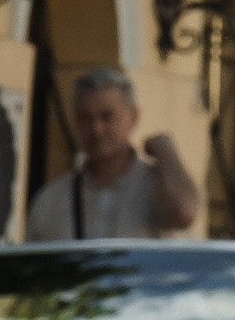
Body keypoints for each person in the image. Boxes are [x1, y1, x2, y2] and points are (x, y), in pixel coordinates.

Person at [24, 65, 200, 240]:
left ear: (133, 117)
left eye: (107, 117)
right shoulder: (51, 199)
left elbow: (184, 213)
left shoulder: (159, 186)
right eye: (86, 118)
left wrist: (166, 151)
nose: (96, 129)